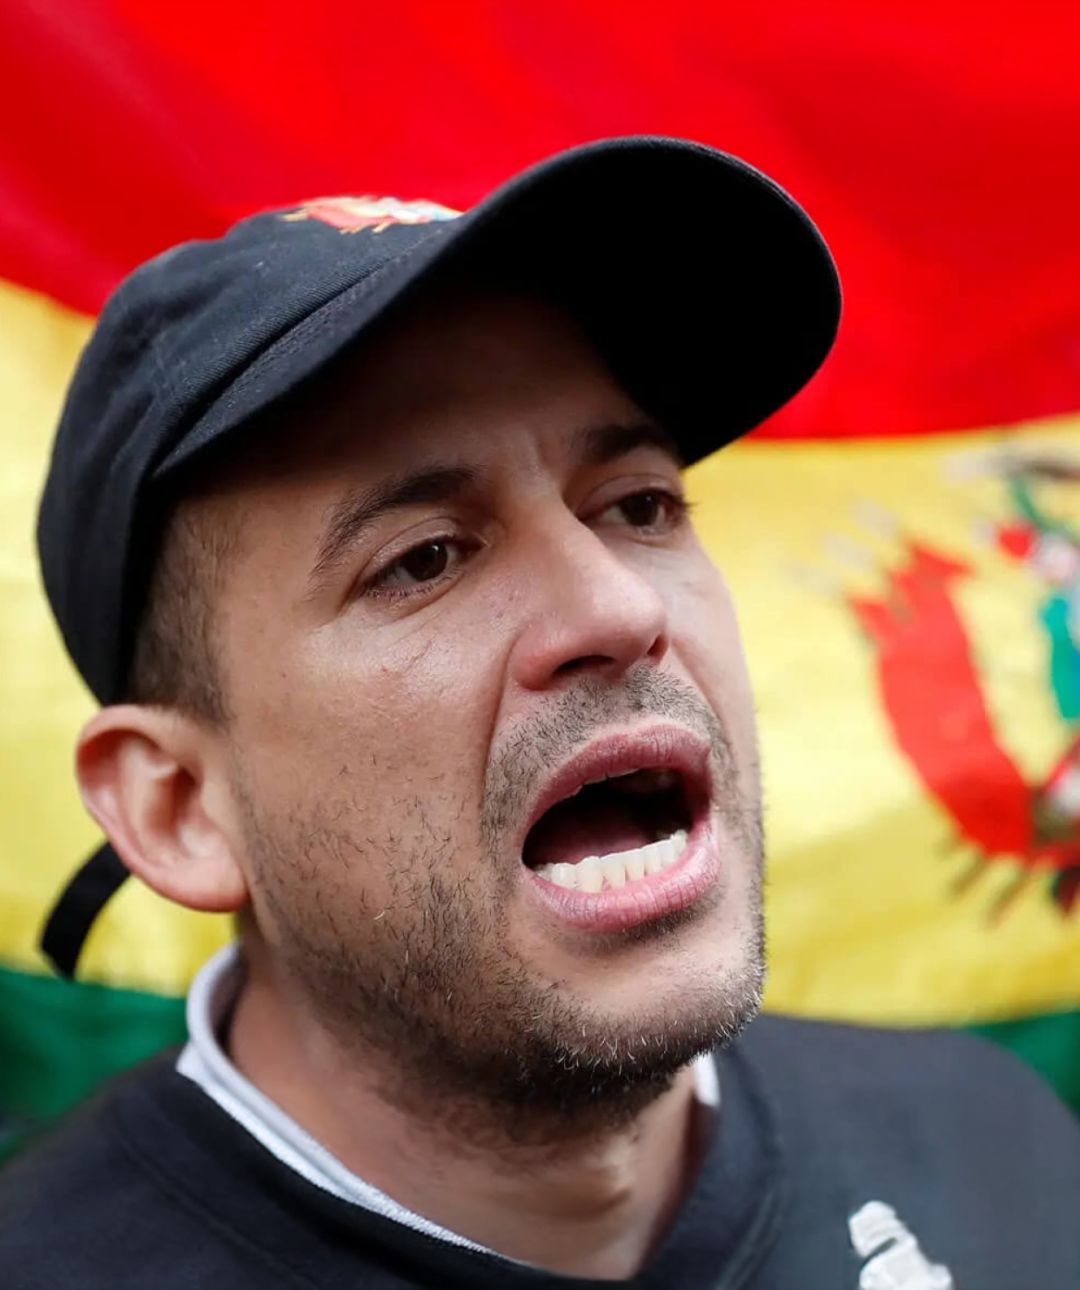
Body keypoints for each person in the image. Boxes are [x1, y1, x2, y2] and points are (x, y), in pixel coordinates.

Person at [2, 137, 1076, 1288]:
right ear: (180, 810)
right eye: (422, 560)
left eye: (640, 505)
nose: (616, 607)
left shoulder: (994, 1147)